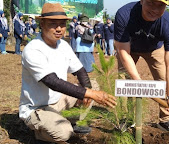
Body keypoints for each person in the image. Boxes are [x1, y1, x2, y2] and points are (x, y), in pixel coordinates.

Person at [19, 3, 116, 143]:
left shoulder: (63, 45)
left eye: (62, 24)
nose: (59, 29)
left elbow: (80, 70)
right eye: (53, 24)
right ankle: (40, 132)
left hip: (58, 100)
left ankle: (75, 121)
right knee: (64, 133)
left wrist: (88, 91)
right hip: (36, 108)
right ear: (42, 23)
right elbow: (52, 82)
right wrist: (89, 94)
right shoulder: (33, 49)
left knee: (92, 85)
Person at [114, 0, 169, 132]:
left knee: (163, 79)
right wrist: (138, 81)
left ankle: (165, 120)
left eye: (160, 5)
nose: (155, 10)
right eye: (151, 3)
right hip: (128, 49)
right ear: (142, 1)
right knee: (124, 80)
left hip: (154, 48)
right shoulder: (124, 15)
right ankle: (126, 118)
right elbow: (123, 52)